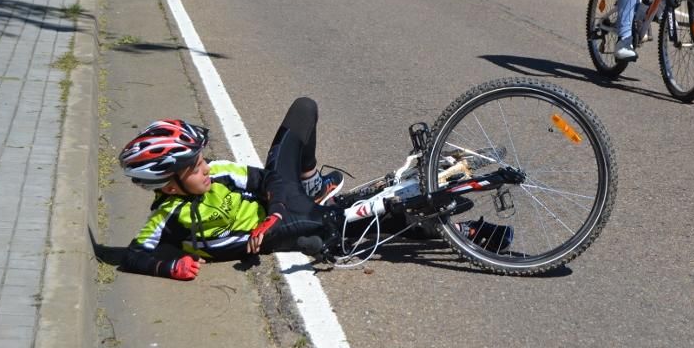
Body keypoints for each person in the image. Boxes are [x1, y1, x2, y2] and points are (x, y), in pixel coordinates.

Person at [118, 98, 511, 281]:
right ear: (168, 184)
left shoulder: (219, 172)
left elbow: (264, 178)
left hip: (282, 204)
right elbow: (135, 255)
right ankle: (466, 233)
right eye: (194, 167)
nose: (205, 167)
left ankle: (311, 182)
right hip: (284, 232)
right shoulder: (167, 219)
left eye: (202, 159)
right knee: (368, 217)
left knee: (304, 108)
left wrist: (276, 205)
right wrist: (169, 266)